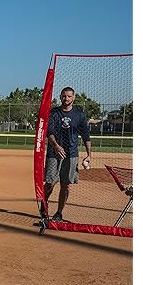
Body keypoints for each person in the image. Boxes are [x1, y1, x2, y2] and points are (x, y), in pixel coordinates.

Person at [42, 86, 91, 222]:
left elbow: (86, 135)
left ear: (73, 98)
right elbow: (49, 132)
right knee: (50, 183)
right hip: (54, 153)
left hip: (71, 154)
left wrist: (89, 154)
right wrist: (56, 146)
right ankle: (44, 205)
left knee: (65, 185)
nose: (66, 98)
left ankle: (59, 213)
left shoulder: (79, 115)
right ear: (60, 97)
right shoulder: (54, 113)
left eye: (69, 96)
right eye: (64, 96)